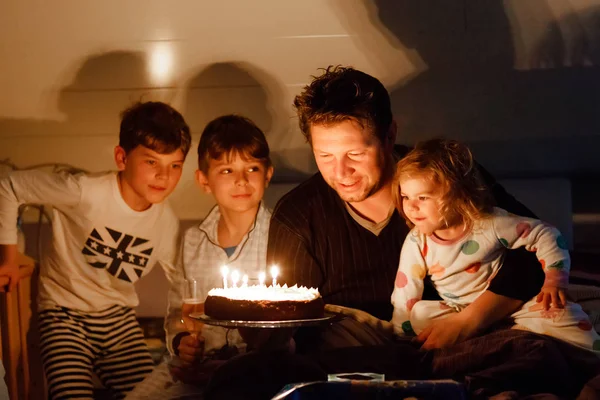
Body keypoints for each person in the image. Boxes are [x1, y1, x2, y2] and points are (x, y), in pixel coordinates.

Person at [267, 65, 544, 351]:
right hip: (355, 354)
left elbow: (536, 254)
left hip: (467, 334)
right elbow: (283, 321)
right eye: (324, 155)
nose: (341, 171)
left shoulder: (446, 177)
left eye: (355, 154)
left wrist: (468, 322)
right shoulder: (298, 214)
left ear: (389, 136)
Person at [0, 101, 191, 399]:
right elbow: (9, 185)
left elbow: (180, 281)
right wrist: (9, 259)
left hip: (119, 321)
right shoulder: (84, 192)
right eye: (151, 162)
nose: (164, 176)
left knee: (154, 395)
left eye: (175, 165)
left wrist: (188, 328)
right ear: (122, 157)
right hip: (64, 316)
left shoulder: (166, 221)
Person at [390, 138, 600, 351]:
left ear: (458, 195)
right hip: (457, 311)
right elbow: (404, 293)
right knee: (418, 314)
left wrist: (554, 281)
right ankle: (495, 335)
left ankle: (593, 363)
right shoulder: (416, 241)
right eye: (406, 197)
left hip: (515, 306)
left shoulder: (489, 223)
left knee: (562, 312)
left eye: (423, 197)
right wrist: (400, 338)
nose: (411, 207)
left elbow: (546, 234)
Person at [126, 115, 274, 399]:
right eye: (227, 171)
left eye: (252, 168)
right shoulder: (193, 240)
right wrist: (182, 342)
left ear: (267, 174)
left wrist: (230, 368)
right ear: (204, 180)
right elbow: (175, 315)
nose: (242, 181)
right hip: (188, 370)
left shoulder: (281, 236)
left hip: (253, 374)